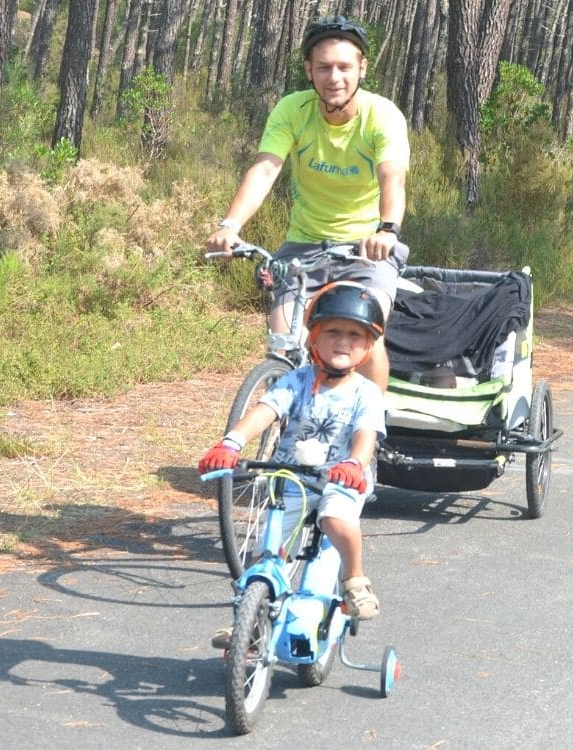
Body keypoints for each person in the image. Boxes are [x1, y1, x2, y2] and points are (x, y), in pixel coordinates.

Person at [206, 15, 409, 391]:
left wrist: (387, 229)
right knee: (283, 342)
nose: (335, 77)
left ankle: (370, 434)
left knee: (367, 334)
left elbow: (391, 177)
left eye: (345, 67)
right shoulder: (292, 110)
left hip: (367, 249)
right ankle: (288, 432)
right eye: (324, 67)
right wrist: (230, 226)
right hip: (305, 245)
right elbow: (265, 170)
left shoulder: (381, 115)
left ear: (362, 68)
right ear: (309, 71)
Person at [199, 282, 387, 648]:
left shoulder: (367, 393)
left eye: (354, 335)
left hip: (341, 480)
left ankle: (355, 581)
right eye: (332, 331)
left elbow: (366, 436)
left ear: (367, 346)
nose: (343, 342)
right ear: (313, 337)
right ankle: (249, 628)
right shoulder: (296, 381)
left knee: (334, 519)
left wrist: (353, 463)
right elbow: (265, 411)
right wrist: (232, 441)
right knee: (265, 554)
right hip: (291, 479)